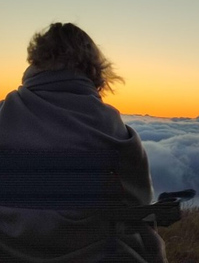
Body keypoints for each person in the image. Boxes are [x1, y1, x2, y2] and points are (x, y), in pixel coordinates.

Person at [0, 23, 168, 262]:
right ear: (94, 68)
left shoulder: (4, 115)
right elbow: (136, 205)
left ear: (35, 61)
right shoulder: (111, 128)